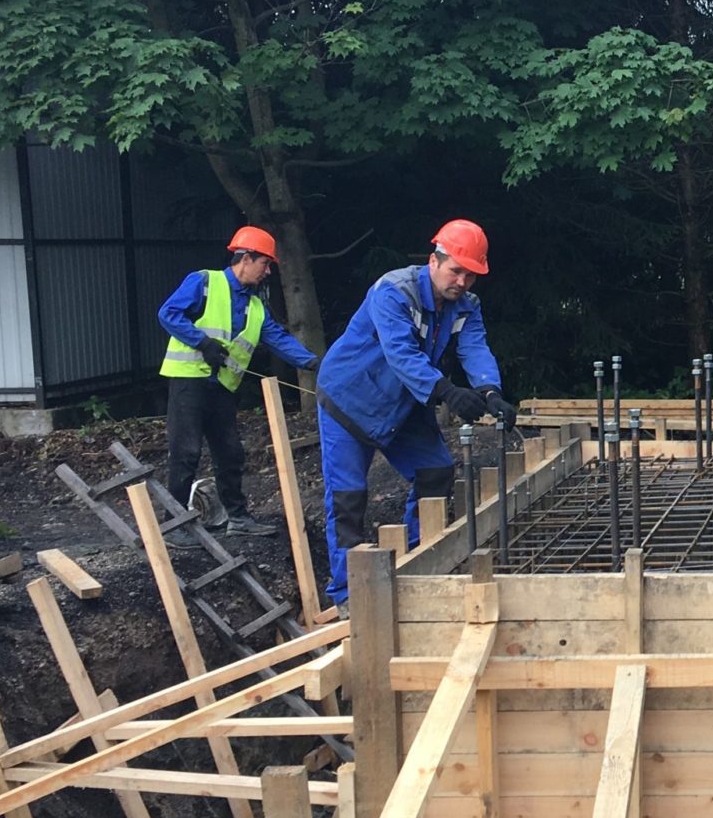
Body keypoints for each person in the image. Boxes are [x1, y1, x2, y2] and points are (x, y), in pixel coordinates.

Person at [315, 219, 518, 607]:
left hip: (405, 401)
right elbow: (400, 354)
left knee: (435, 472)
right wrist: (447, 391)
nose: (462, 281)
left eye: (471, 275)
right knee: (347, 498)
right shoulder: (393, 291)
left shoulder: (467, 305)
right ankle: (348, 596)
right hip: (350, 400)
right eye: (456, 271)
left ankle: (412, 563)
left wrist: (490, 391)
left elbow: (474, 348)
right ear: (433, 261)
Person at [157, 225, 320, 539]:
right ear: (246, 259)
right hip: (189, 381)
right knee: (185, 453)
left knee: (230, 452)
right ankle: (173, 526)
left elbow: (278, 339)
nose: (268, 271)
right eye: (265, 263)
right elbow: (169, 313)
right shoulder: (204, 282)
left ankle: (238, 518)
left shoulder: (255, 307)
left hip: (222, 388)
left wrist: (314, 364)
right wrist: (202, 342)